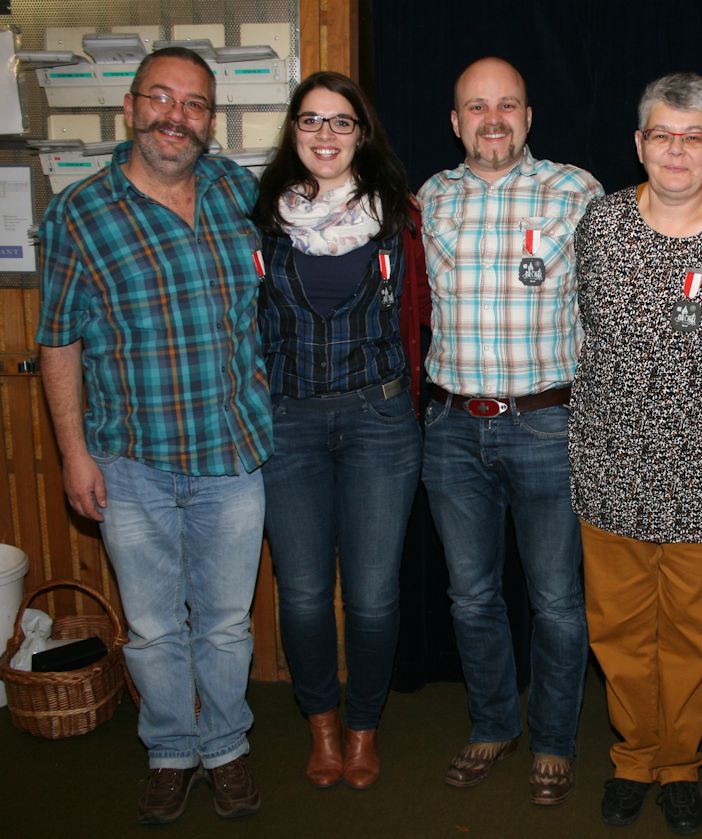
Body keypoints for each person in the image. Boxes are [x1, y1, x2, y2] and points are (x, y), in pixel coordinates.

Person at [36, 47, 270, 823]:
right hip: (130, 463)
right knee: (153, 627)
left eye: (194, 104)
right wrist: (73, 454)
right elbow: (59, 341)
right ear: (131, 108)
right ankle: (171, 750)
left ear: (211, 119)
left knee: (226, 623)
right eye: (162, 99)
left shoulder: (239, 192)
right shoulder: (80, 213)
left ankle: (226, 746)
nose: (177, 116)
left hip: (232, 455)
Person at [570, 72, 702, 834]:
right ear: (639, 143)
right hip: (613, 467)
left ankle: (681, 763)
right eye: (663, 134)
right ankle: (634, 758)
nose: (678, 150)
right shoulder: (601, 225)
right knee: (619, 632)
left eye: (694, 137)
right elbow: (587, 331)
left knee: (692, 637)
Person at [417, 56, 603, 806]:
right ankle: (493, 722)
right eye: (476, 106)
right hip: (452, 428)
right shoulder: (429, 198)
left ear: (528, 116)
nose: (492, 119)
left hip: (547, 423)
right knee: (470, 596)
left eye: (507, 105)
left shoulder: (578, 191)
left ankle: (554, 739)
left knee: (556, 599)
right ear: (455, 121)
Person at [251, 71, 428, 792]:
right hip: (289, 424)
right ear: (293, 130)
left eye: (341, 121)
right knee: (300, 593)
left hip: (378, 424)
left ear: (362, 133)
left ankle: (362, 727)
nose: (325, 134)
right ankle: (321, 724)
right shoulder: (258, 216)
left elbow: (427, 311)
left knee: (373, 596)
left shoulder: (400, 217)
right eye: (311, 120)